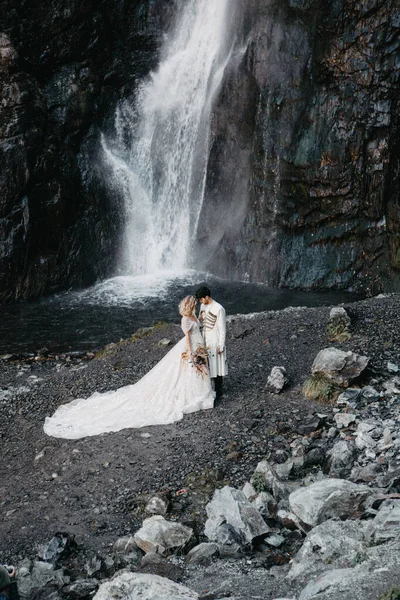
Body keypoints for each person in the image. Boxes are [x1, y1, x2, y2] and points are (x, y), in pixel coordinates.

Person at [43, 296, 214, 439]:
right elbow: (187, 338)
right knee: (185, 371)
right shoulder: (185, 320)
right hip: (189, 347)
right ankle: (191, 394)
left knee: (193, 371)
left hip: (198, 344)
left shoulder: (193, 316)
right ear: (190, 305)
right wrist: (191, 354)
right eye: (195, 304)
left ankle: (198, 391)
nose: (197, 305)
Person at [195, 286, 227, 399]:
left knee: (217, 366)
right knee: (207, 363)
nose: (200, 302)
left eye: (201, 299)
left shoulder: (219, 309)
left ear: (207, 296)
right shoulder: (203, 306)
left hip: (214, 339)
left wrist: (221, 345)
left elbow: (222, 328)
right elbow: (201, 320)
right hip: (204, 338)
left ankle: (219, 390)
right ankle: (209, 387)